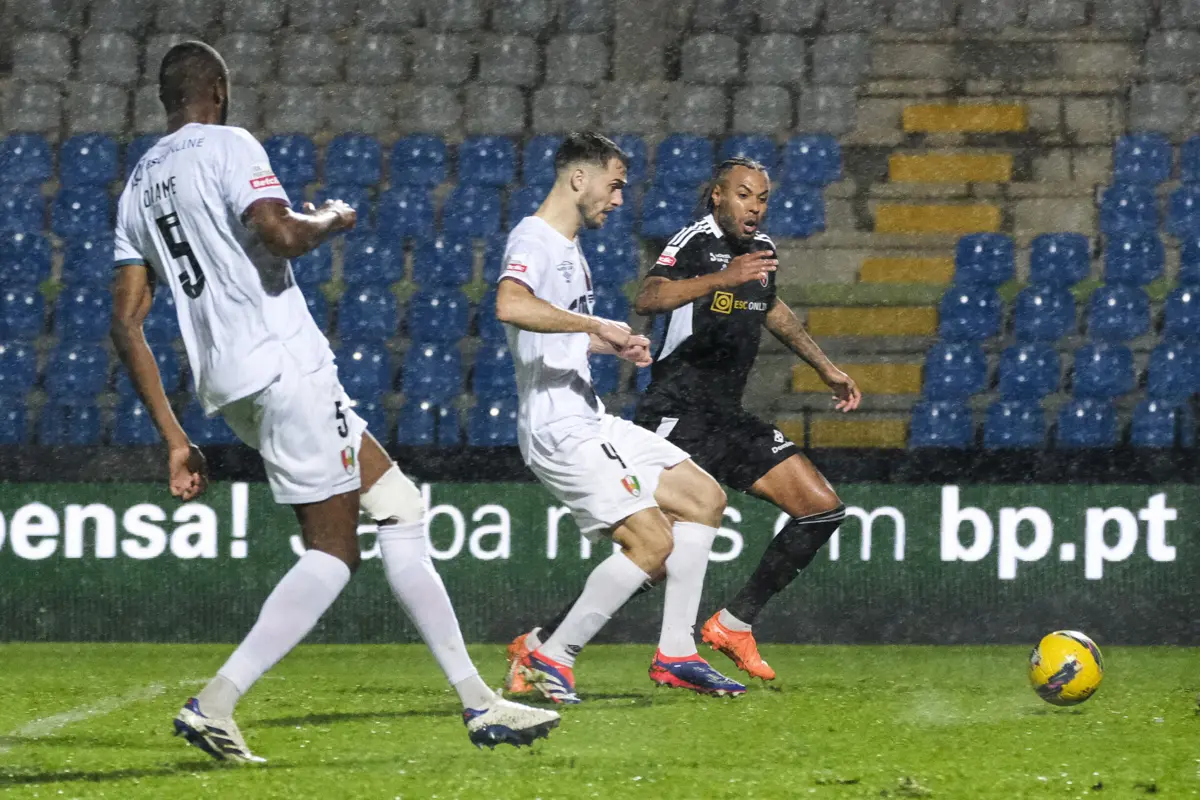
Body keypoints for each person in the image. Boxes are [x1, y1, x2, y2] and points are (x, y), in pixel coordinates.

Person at [110, 41, 559, 763]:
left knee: (401, 508)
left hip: (232, 386)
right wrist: (335, 218)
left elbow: (126, 323)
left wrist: (172, 436)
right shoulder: (230, 145)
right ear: (219, 89)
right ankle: (214, 703)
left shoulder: (136, 187)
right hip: (285, 365)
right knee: (334, 550)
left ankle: (480, 704)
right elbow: (282, 234)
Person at [507, 157, 861, 684]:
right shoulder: (695, 241)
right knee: (653, 554)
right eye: (744, 195)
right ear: (718, 196)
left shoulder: (762, 252)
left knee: (821, 511)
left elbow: (770, 307)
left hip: (728, 417)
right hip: (677, 413)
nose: (755, 207)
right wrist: (725, 276)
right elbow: (649, 298)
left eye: (762, 198)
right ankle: (543, 643)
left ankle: (732, 624)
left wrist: (826, 368)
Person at [495, 132, 744, 704]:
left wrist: (610, 344)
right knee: (652, 543)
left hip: (587, 414)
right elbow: (511, 304)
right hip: (558, 428)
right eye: (614, 185)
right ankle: (547, 657)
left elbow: (550, 334)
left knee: (703, 497)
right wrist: (594, 327)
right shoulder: (535, 238)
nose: (618, 199)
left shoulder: (568, 248)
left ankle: (677, 652)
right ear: (578, 178)